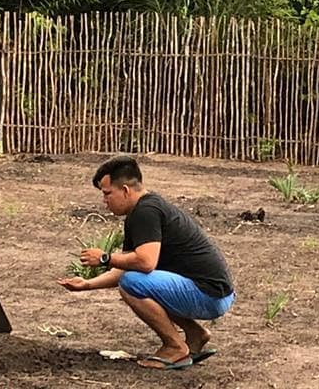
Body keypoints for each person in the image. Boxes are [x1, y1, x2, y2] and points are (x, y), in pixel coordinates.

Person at [58, 156, 235, 370]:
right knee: (134, 280)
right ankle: (195, 335)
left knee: (133, 283)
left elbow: (145, 263)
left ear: (125, 190)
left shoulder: (146, 212)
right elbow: (126, 266)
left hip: (209, 295)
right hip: (214, 293)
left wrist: (105, 258)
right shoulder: (144, 210)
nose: (104, 201)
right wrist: (87, 285)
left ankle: (175, 347)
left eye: (107, 194)